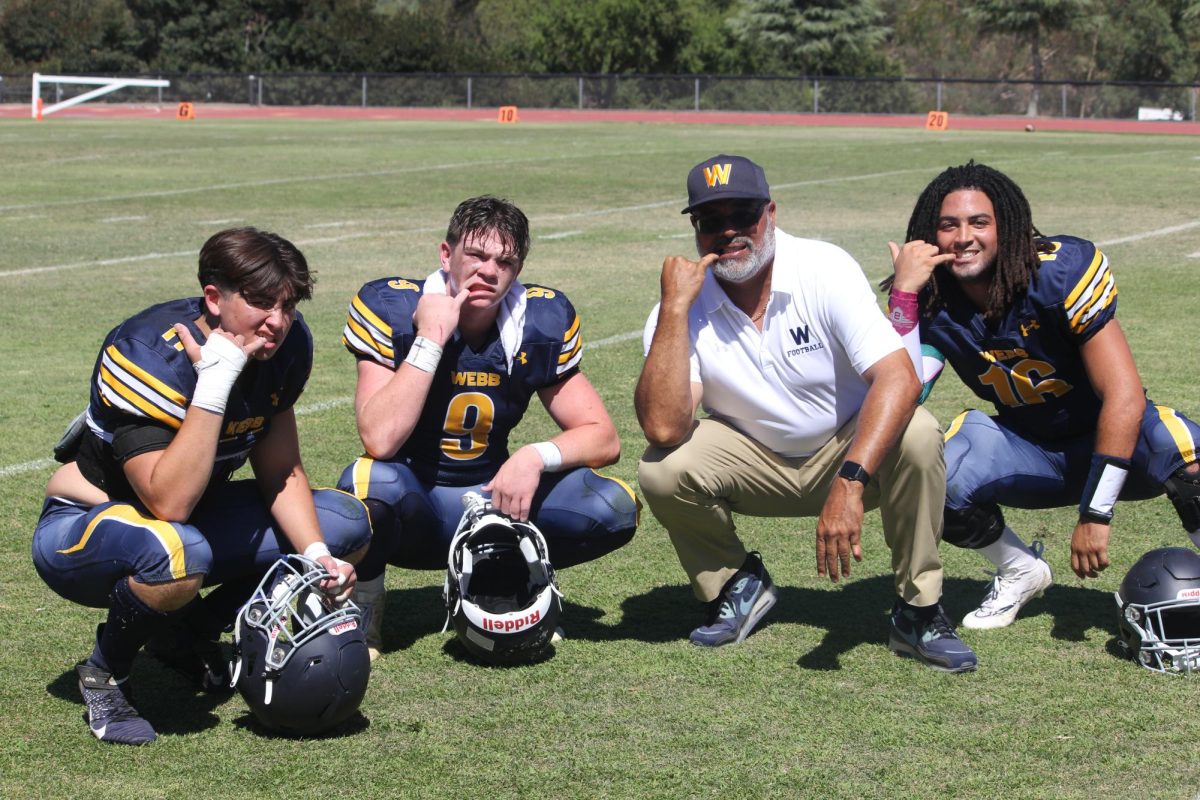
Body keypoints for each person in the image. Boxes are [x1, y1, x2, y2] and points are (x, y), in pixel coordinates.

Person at [635, 154, 977, 673]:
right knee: (661, 467)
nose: (728, 232)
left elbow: (898, 377)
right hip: (752, 459)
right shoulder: (678, 307)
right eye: (710, 220)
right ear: (694, 229)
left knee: (921, 433)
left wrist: (852, 478)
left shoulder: (823, 267)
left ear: (770, 213)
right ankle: (736, 585)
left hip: (847, 446)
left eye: (742, 215)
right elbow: (663, 426)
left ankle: (918, 611)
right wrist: (676, 310)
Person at [32, 228, 372, 746]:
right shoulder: (148, 353)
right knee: (177, 550)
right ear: (214, 298)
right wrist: (214, 383)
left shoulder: (283, 344)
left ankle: (185, 633)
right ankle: (105, 673)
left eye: (288, 305)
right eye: (260, 302)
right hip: (84, 527)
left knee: (343, 526)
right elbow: (169, 501)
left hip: (189, 518)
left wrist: (317, 555)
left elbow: (281, 470)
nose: (277, 322)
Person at [884, 161, 1200, 630]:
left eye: (979, 222)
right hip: (1029, 448)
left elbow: (1125, 397)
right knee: (935, 474)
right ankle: (1020, 571)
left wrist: (1096, 512)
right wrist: (905, 296)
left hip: (1113, 438)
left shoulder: (1059, 274)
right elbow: (904, 391)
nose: (963, 236)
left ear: (1006, 228)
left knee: (1189, 457)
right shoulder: (933, 298)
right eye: (949, 225)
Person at [337, 195, 639, 659]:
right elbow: (380, 438)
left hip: (493, 498)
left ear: (516, 271)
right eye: (476, 255)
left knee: (613, 506)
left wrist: (533, 455)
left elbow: (603, 434)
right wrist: (431, 338)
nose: (488, 270)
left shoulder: (540, 320)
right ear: (446, 254)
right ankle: (367, 610)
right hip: (415, 501)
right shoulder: (393, 307)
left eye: (505, 261)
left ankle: (511, 579)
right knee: (367, 481)